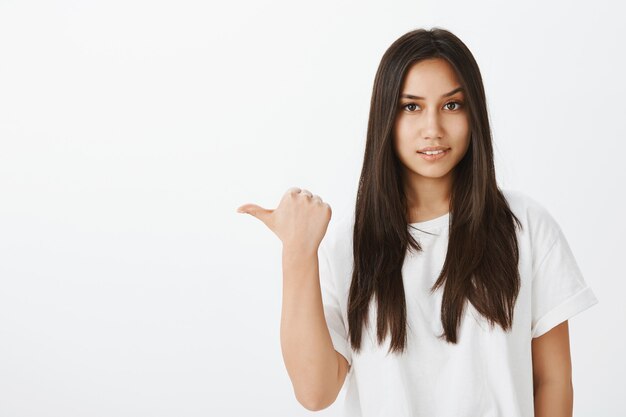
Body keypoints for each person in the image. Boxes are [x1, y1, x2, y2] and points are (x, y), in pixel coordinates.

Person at [236, 27, 599, 417]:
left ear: (474, 112)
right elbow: (315, 392)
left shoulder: (525, 226)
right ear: (385, 118)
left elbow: (552, 380)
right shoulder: (350, 245)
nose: (433, 129)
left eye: (452, 105)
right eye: (411, 107)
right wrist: (297, 252)